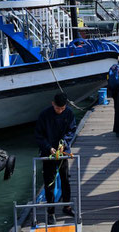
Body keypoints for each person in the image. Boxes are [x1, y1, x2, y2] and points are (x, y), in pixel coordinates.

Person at [35, 93, 77, 224]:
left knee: (65, 179)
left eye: (62, 108)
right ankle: (50, 211)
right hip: (48, 153)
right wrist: (48, 147)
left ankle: (67, 206)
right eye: (58, 108)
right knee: (49, 182)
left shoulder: (69, 113)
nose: (60, 111)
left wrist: (64, 143)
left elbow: (71, 130)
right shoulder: (44, 115)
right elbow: (38, 135)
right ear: (53, 104)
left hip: (62, 152)